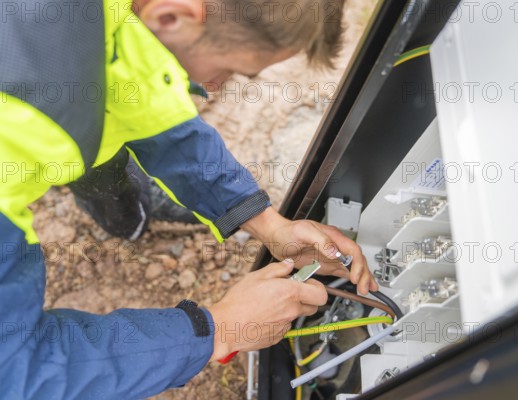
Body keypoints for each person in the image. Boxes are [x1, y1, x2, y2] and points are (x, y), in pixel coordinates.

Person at [0, 0, 377, 398]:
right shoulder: (22, 130)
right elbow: (16, 370)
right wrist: (218, 329)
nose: (214, 87)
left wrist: (268, 224)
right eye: (229, 70)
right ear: (169, 16)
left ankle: (130, 217)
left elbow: (149, 103)